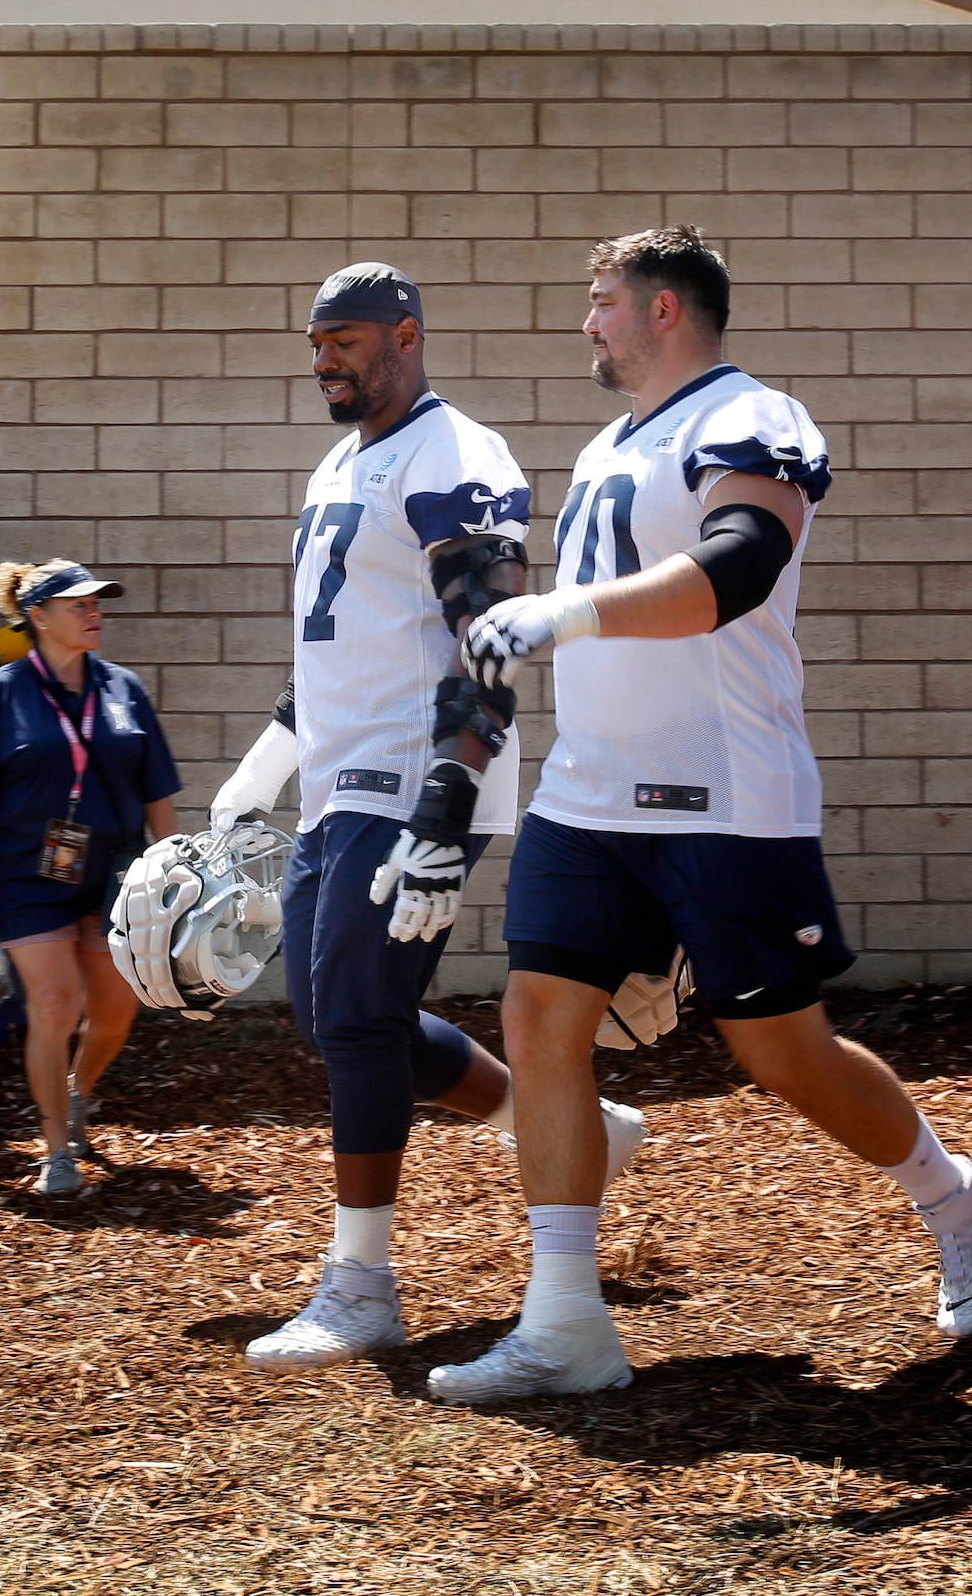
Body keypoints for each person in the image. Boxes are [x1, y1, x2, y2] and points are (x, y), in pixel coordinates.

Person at [426, 226, 972, 1407]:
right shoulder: (608, 442)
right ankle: (564, 1324)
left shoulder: (752, 415)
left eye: (599, 300)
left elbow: (740, 561)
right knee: (537, 1016)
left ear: (661, 309)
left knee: (778, 1054)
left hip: (726, 797)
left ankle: (955, 1197)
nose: (584, 322)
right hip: (588, 793)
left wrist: (565, 614)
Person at [202, 261, 648, 1373]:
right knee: (335, 1019)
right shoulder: (337, 463)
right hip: (336, 778)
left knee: (354, 1017)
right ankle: (572, 1126)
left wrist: (445, 802)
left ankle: (361, 1287)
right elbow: (339, 639)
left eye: (344, 340)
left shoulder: (456, 457)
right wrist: (268, 759)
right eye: (315, 343)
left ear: (404, 336)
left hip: (413, 778)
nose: (323, 361)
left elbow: (483, 635)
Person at [0, 558, 181, 1198]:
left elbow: (157, 790)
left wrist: (177, 868)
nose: (93, 612)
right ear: (38, 616)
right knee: (56, 1005)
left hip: (111, 871)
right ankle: (55, 1150)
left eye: (97, 603)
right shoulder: (1, 692)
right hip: (25, 875)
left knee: (114, 1013)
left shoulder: (123, 688)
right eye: (78, 604)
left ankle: (79, 1093)